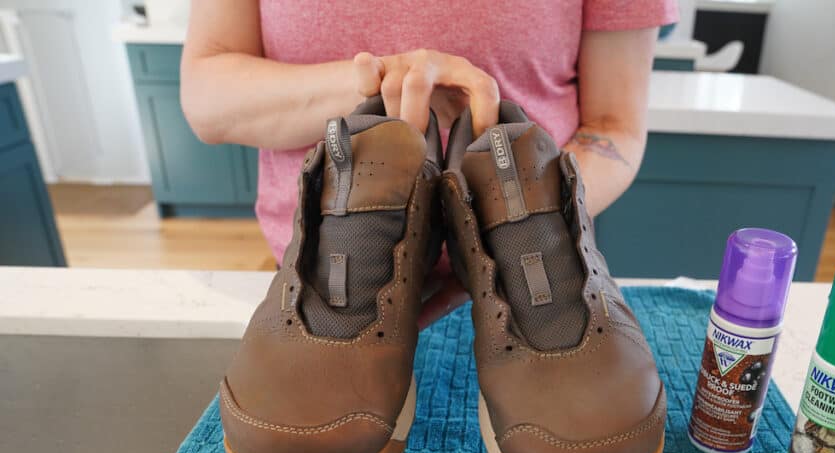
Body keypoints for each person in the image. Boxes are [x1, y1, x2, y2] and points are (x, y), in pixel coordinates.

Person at [181, 0, 677, 326]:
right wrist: (391, 82)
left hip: (535, 278)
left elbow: (614, 126)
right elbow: (208, 99)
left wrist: (518, 229)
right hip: (323, 283)